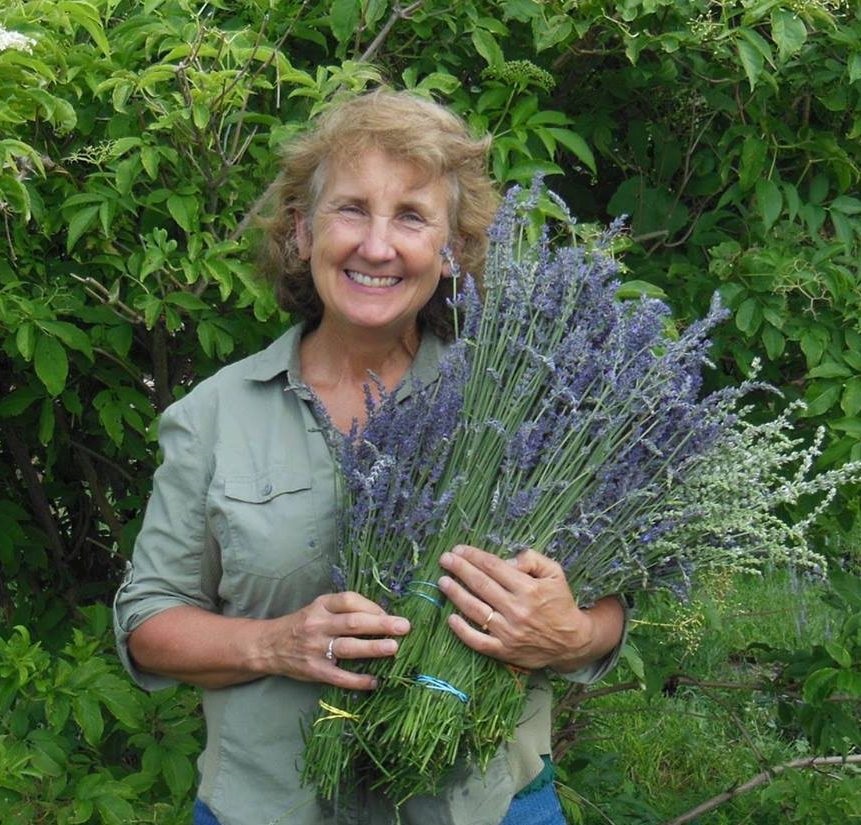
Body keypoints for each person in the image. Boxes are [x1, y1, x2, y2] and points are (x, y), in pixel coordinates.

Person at [113, 88, 626, 825]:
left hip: (485, 806)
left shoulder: (521, 400)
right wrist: (276, 644)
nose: (377, 245)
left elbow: (609, 596)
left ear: (451, 250)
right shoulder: (214, 416)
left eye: (412, 216)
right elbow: (148, 622)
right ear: (300, 233)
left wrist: (572, 632)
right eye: (351, 208)